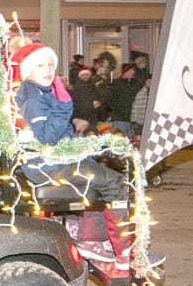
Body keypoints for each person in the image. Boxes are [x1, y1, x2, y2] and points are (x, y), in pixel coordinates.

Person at [11, 42, 161, 273]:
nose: (48, 69)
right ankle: (126, 254)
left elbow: (55, 132)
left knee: (99, 176)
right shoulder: (34, 97)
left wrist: (75, 127)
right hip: (49, 165)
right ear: (27, 70)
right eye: (40, 65)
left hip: (52, 163)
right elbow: (46, 138)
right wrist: (64, 107)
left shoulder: (40, 93)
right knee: (118, 183)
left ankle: (92, 240)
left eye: (50, 65)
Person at [103, 63, 141, 135]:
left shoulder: (137, 83)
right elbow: (109, 100)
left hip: (134, 119)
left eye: (133, 70)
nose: (133, 72)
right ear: (125, 71)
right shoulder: (116, 84)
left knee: (132, 139)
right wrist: (119, 109)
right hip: (120, 118)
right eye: (130, 70)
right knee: (119, 138)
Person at [70, 66, 99, 135]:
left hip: (92, 116)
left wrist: (98, 102)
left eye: (87, 74)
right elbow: (74, 103)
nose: (85, 76)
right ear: (80, 76)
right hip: (81, 117)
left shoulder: (93, 86)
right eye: (83, 75)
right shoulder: (77, 87)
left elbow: (97, 97)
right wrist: (76, 118)